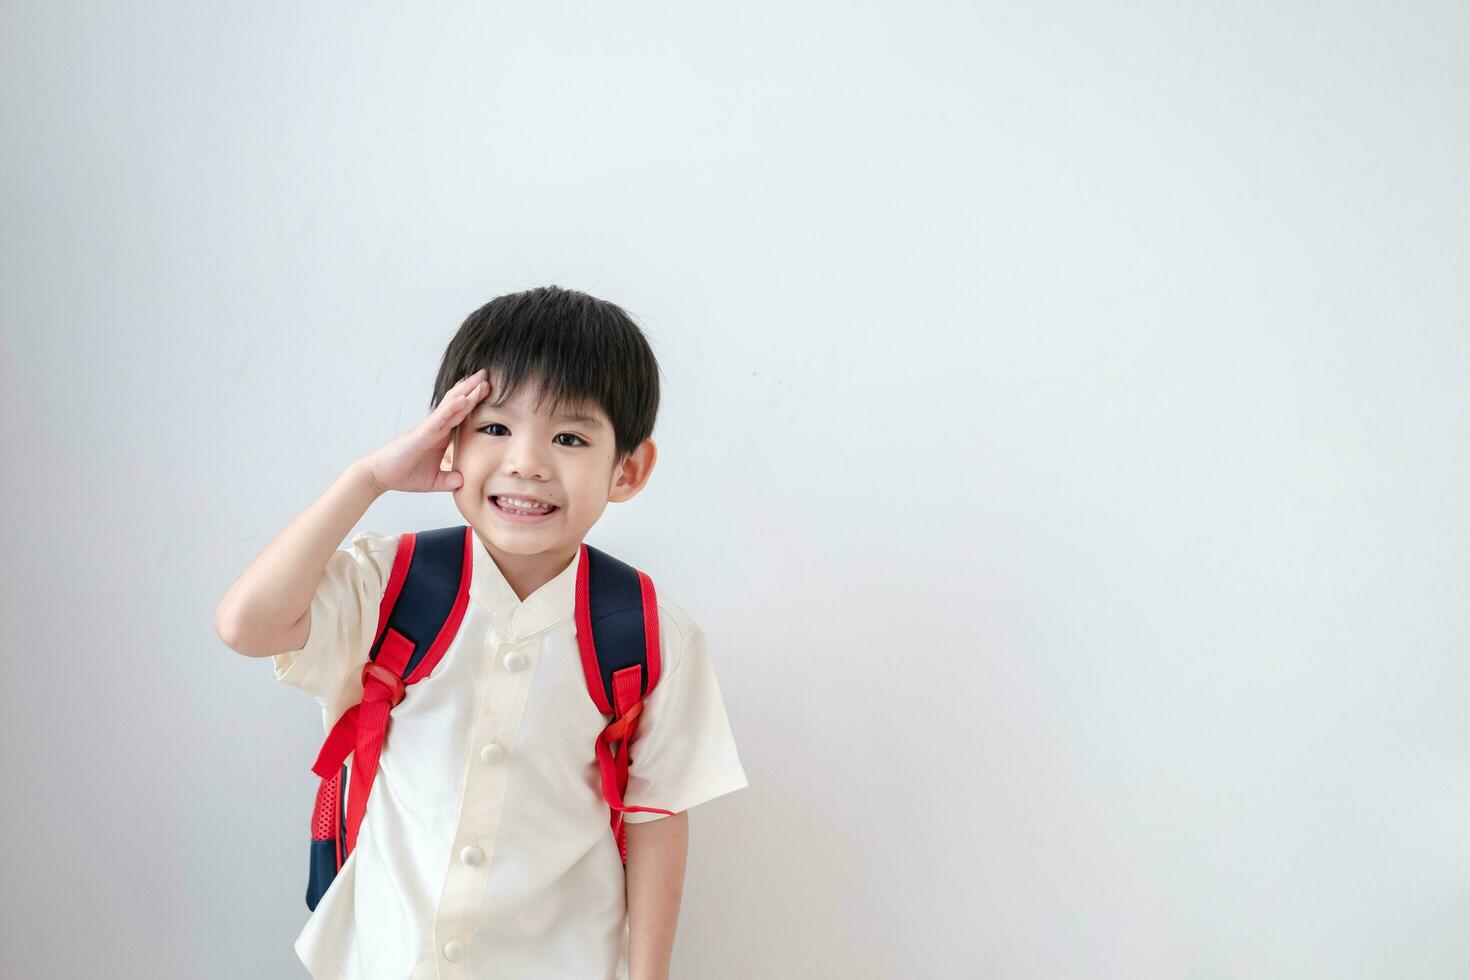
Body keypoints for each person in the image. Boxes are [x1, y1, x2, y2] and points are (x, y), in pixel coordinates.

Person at [214, 285, 750, 980]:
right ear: (447, 435)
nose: (526, 462)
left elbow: (655, 816)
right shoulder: (392, 585)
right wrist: (369, 478)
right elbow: (246, 625)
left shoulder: (650, 635)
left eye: (568, 437)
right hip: (383, 960)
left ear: (629, 469)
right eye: (494, 428)